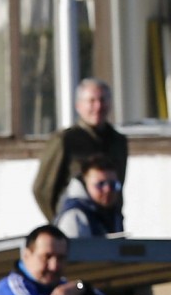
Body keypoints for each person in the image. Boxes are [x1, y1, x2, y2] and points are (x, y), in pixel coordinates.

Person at [53, 155, 170, 295]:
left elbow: (127, 265)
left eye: (113, 185)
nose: (108, 190)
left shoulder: (111, 214)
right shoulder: (75, 217)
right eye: (100, 185)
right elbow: (71, 275)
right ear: (85, 184)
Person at [33, 79, 127, 221]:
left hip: (110, 223)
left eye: (102, 100)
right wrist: (60, 221)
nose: (98, 106)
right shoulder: (64, 140)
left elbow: (118, 186)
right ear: (79, 106)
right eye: (91, 101)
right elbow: (42, 189)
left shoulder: (118, 141)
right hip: (78, 223)